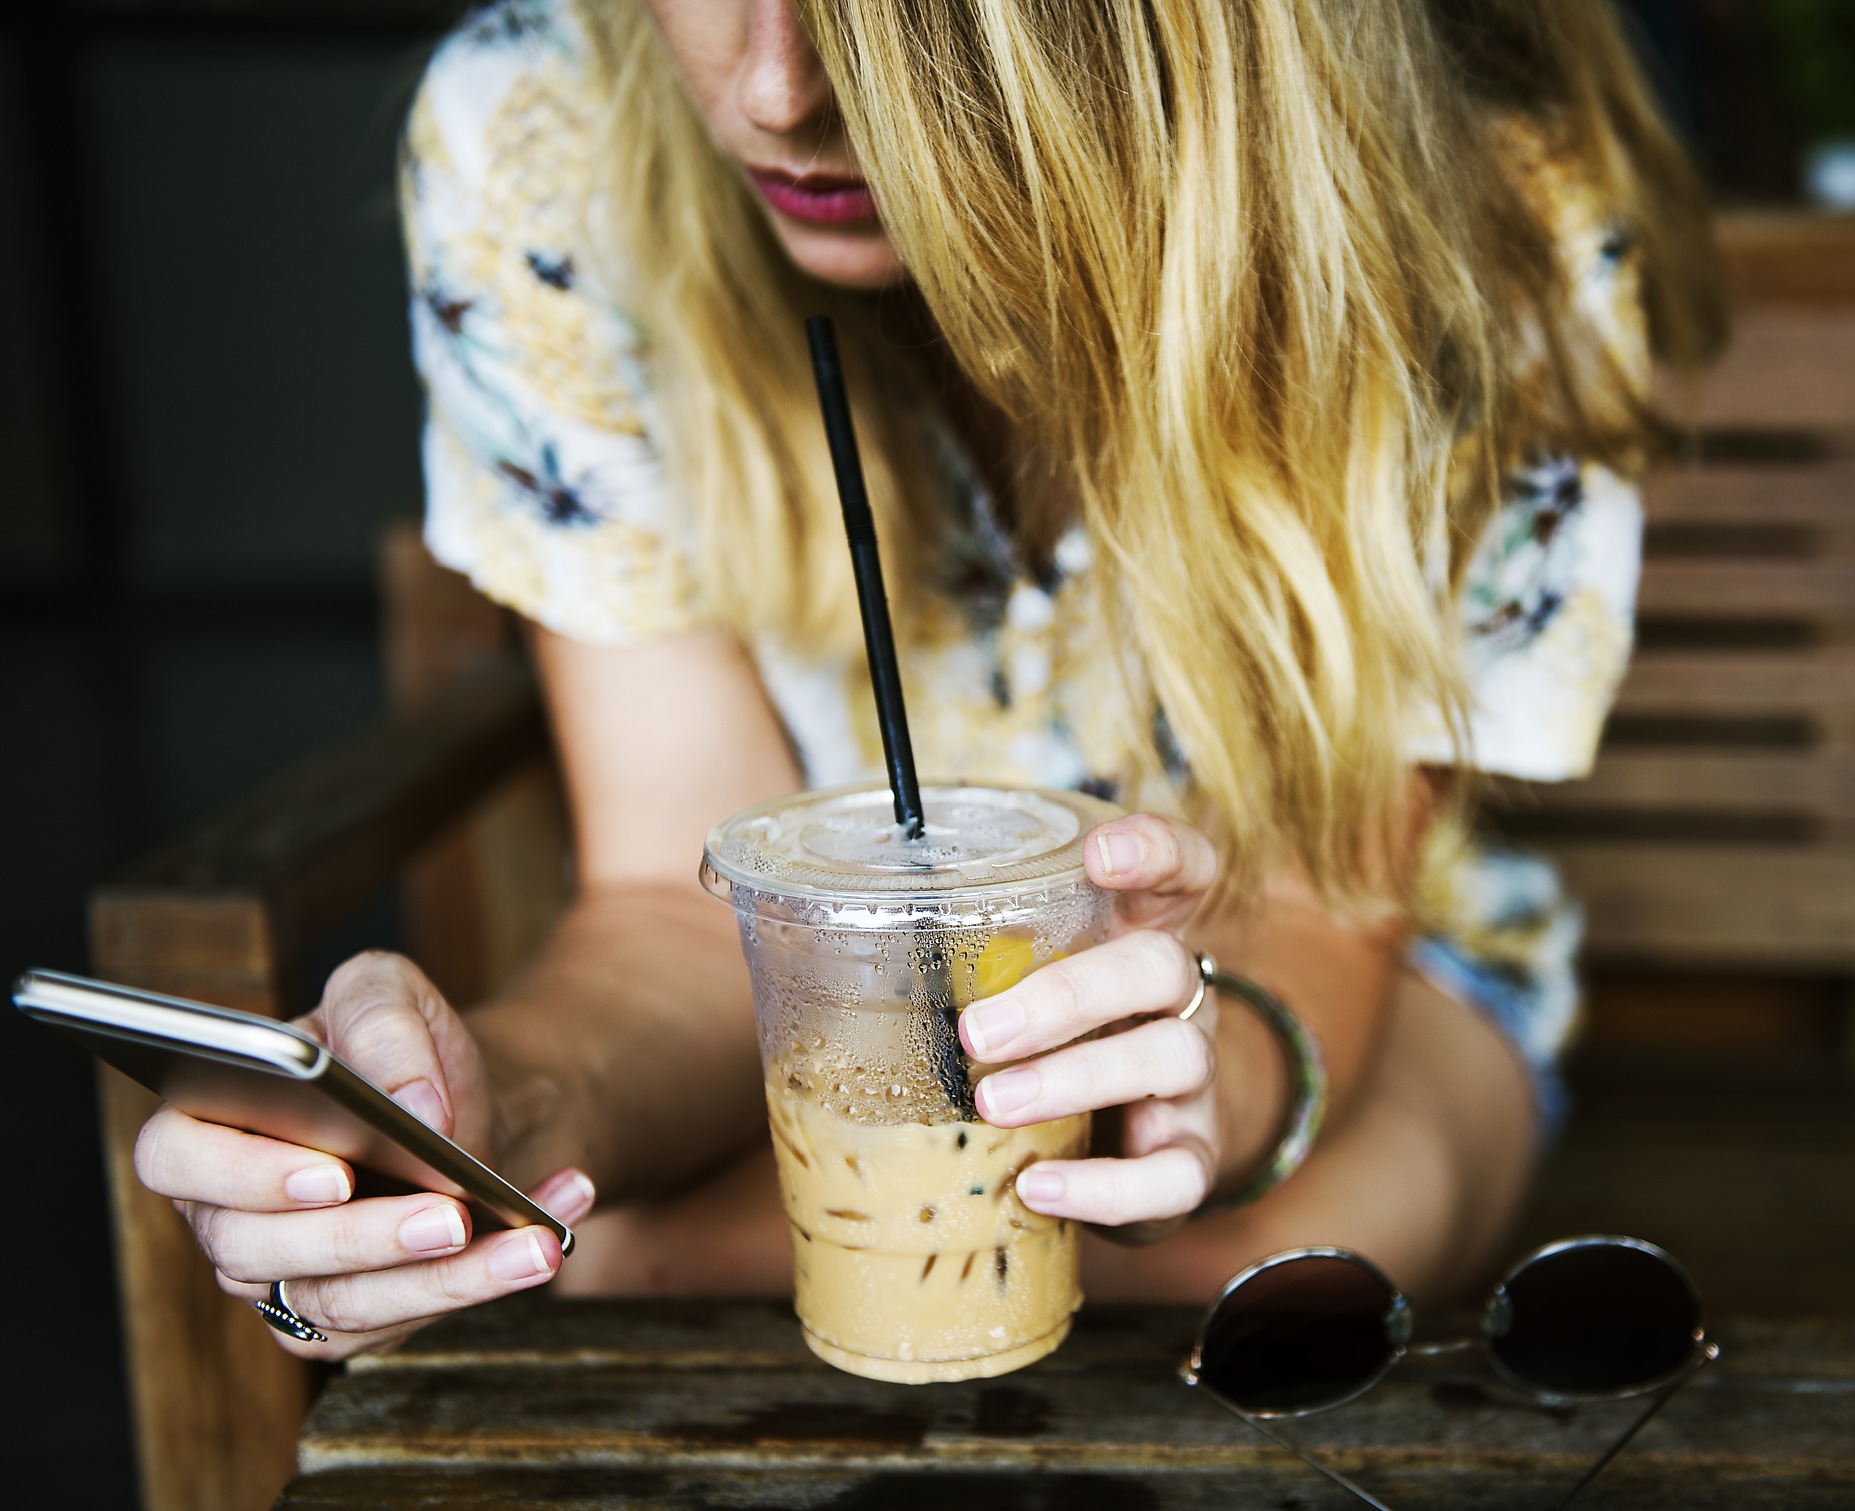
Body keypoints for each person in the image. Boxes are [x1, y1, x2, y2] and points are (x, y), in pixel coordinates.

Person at [133, 0, 1723, 1358]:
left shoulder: (1484, 217)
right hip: (827, 1013)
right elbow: (682, 905)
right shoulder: (544, 136)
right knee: (614, 1252)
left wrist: (1206, 1080)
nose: (773, 90)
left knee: (1235, 1281)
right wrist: (500, 1121)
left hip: (1343, 977)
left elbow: (1321, 907)